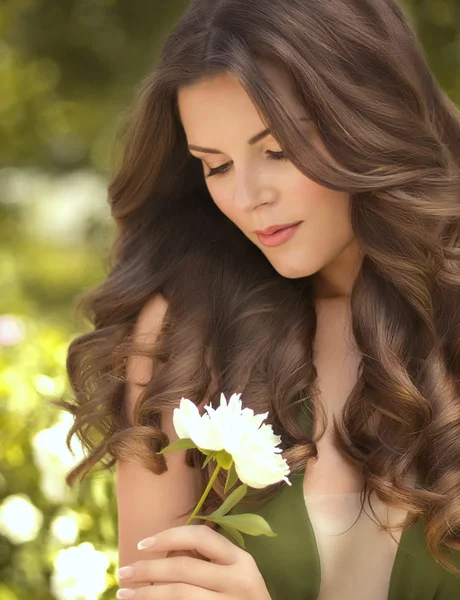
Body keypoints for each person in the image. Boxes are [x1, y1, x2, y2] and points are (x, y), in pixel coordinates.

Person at [60, 0, 460, 598]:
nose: (247, 197)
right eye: (215, 166)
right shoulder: (185, 336)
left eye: (277, 151)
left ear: (368, 118)